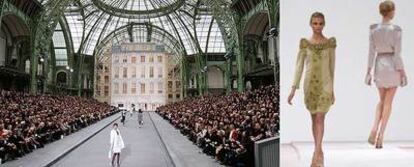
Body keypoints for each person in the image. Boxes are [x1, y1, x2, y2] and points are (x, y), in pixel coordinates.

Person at [287, 12, 336, 167]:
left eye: (320, 23)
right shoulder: (305, 44)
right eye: (315, 23)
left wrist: (332, 88)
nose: (318, 26)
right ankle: (318, 150)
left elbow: (332, 67)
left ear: (324, 24)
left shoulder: (330, 43)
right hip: (310, 85)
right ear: (310, 24)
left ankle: (318, 153)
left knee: (321, 117)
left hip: (326, 84)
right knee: (314, 118)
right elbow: (299, 67)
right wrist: (294, 88)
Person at [365, 0, 406, 149]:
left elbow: (371, 53)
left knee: (381, 100)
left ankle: (374, 128)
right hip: (392, 66)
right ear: (391, 12)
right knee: (388, 102)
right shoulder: (396, 30)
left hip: (379, 64)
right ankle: (381, 136)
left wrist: (368, 71)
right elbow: (397, 54)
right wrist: (402, 72)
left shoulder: (373, 29)